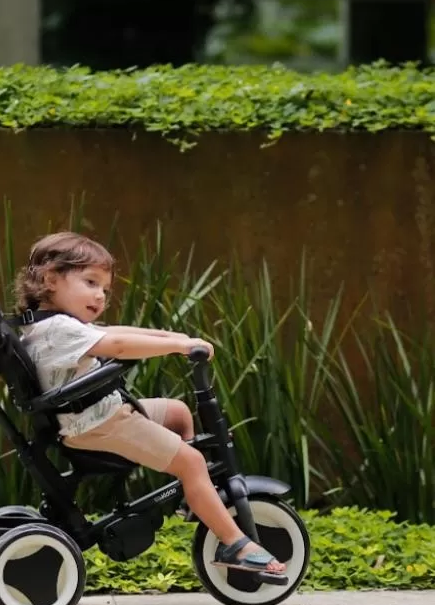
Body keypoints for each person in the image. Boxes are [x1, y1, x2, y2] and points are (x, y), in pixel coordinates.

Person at [15, 231, 285, 577]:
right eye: (91, 282)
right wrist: (178, 348)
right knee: (191, 461)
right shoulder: (60, 331)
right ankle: (234, 543)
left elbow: (116, 331)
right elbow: (120, 346)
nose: (100, 295)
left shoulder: (53, 325)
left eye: (105, 289)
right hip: (99, 426)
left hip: (103, 413)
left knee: (177, 412)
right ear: (51, 279)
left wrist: (175, 338)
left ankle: (195, 496)